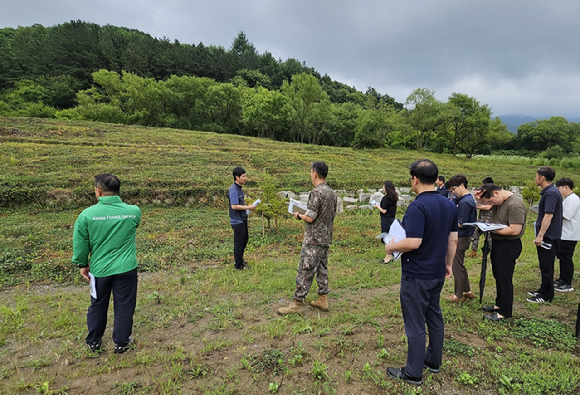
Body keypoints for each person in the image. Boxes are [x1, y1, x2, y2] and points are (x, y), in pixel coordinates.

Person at [385, 159, 458, 386]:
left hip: (417, 274)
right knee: (434, 315)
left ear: (414, 179)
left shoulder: (417, 207)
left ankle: (413, 372)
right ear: (436, 179)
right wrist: (448, 264)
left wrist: (391, 246)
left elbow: (414, 242)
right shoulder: (449, 204)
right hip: (436, 272)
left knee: (415, 322)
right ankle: (433, 360)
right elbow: (453, 239)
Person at [72, 174, 141, 353]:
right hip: (126, 268)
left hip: (100, 270)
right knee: (125, 304)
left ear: (98, 191)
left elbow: (80, 244)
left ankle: (94, 342)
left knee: (97, 304)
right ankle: (121, 343)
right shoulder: (134, 211)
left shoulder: (86, 215)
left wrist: (82, 265)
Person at [278, 161, 337, 315]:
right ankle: (322, 299)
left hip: (314, 239)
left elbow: (310, 218)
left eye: (311, 172)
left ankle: (297, 303)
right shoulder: (332, 193)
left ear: (315, 174)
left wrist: (298, 215)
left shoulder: (316, 192)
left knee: (305, 269)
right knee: (322, 268)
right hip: (326, 237)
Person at [473, 184, 527, 321]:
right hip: (498, 243)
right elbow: (484, 203)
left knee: (504, 279)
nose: (491, 204)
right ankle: (499, 304)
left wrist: (491, 230)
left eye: (491, 201)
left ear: (496, 193)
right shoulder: (499, 201)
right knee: (498, 275)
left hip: (508, 245)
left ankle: (504, 312)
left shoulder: (515, 205)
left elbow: (515, 230)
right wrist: (477, 197)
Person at [527, 166, 562, 304]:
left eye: (536, 176)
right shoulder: (549, 191)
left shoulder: (551, 193)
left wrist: (540, 235)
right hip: (549, 235)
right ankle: (543, 289)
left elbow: (548, 215)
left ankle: (547, 295)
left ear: (542, 177)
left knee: (547, 266)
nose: (535, 178)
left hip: (549, 237)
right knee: (544, 265)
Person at [446, 175, 477, 302]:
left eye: (454, 188)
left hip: (461, 237)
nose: (454, 192)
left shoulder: (464, 202)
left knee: (456, 265)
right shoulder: (467, 199)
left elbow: (461, 223)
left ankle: (458, 295)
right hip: (465, 236)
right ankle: (467, 291)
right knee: (461, 265)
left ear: (462, 185)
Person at [554, 178, 580, 292]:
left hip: (569, 235)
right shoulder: (567, 199)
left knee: (566, 259)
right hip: (564, 234)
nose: (558, 191)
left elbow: (566, 215)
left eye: (559, 188)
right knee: (562, 258)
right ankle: (562, 279)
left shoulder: (573, 199)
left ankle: (567, 283)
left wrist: (552, 215)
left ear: (566, 187)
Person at [228, 167, 256, 270]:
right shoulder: (233, 190)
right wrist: (249, 207)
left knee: (244, 240)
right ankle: (238, 265)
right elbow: (234, 206)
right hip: (237, 220)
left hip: (242, 218)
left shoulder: (239, 188)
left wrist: (247, 207)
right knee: (239, 243)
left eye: (245, 176)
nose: (245, 178)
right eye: (243, 176)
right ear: (237, 177)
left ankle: (240, 259)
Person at [466, 177, 494, 258]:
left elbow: (488, 207)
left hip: (489, 219)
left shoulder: (493, 195)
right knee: (475, 234)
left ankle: (489, 253)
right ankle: (473, 251)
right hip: (481, 218)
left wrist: (475, 206)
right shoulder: (484, 195)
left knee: (488, 238)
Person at [373, 180, 398, 264]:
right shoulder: (394, 197)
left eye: (383, 186)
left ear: (386, 188)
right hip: (392, 219)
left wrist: (377, 206)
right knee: (390, 237)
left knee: (386, 238)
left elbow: (384, 211)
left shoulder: (386, 198)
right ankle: (388, 255)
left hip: (386, 220)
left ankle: (389, 257)